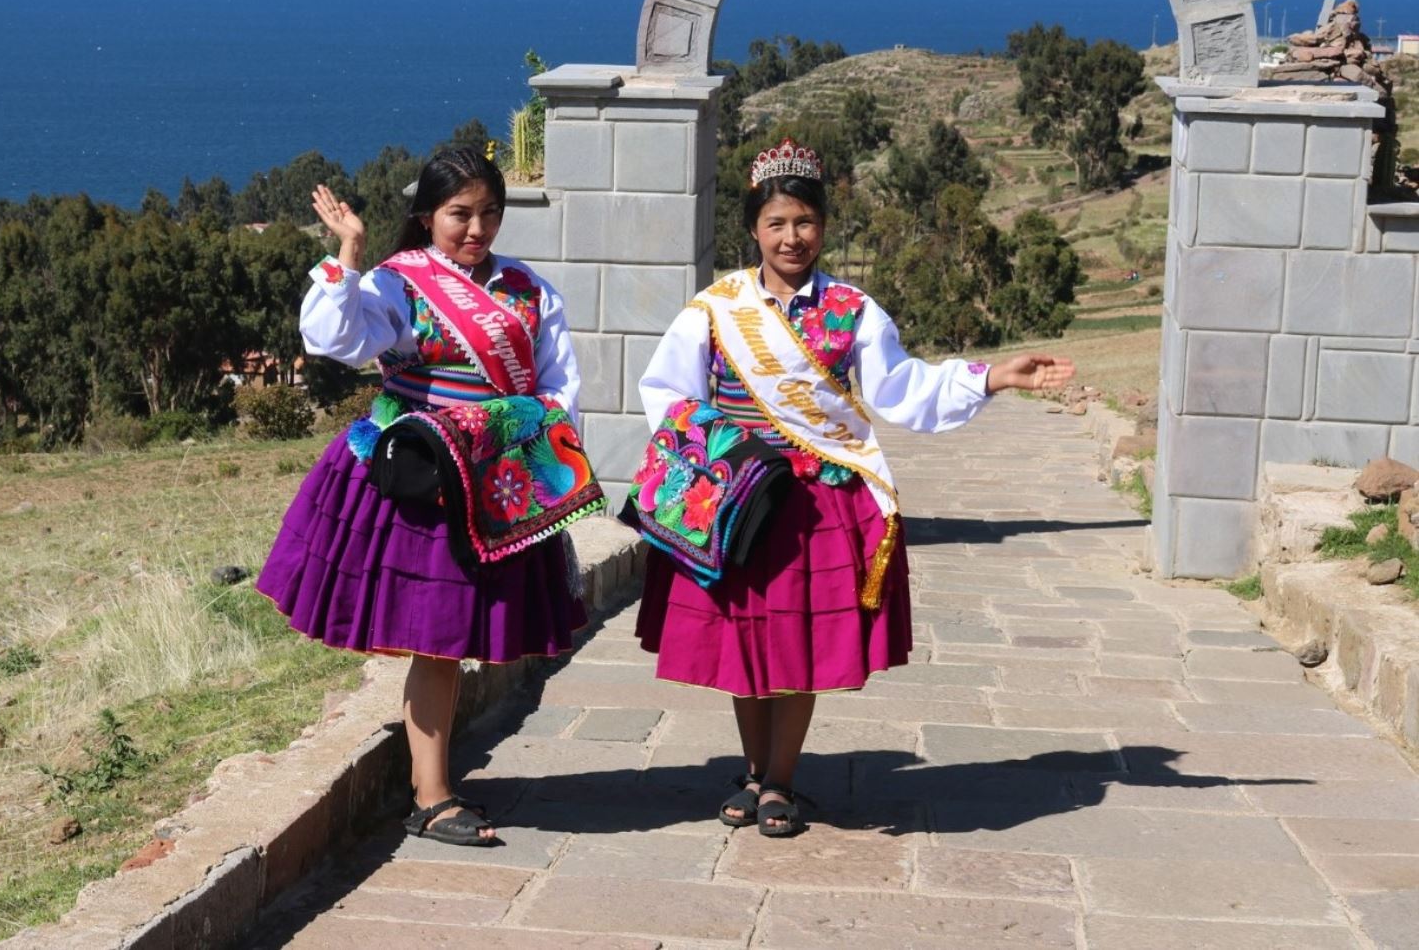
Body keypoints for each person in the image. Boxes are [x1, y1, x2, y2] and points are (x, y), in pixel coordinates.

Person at [631, 137, 1075, 837]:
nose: (791, 237)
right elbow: (668, 394)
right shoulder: (715, 309)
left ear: (824, 226)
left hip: (812, 505)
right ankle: (753, 769)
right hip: (737, 501)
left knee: (797, 643)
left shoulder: (852, 309)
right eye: (776, 223)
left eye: (804, 221)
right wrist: (719, 453)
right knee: (749, 641)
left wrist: (994, 375)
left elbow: (900, 389)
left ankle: (781, 780)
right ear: (754, 227)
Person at [255, 147, 589, 847]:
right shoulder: (397, 283)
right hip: (422, 481)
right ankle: (432, 794)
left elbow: (559, 383)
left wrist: (547, 456)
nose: (476, 229)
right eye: (459, 214)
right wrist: (348, 253)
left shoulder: (529, 291)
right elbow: (335, 337)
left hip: (499, 479)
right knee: (436, 640)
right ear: (427, 216)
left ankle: (432, 784)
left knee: (456, 638)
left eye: (488, 213)